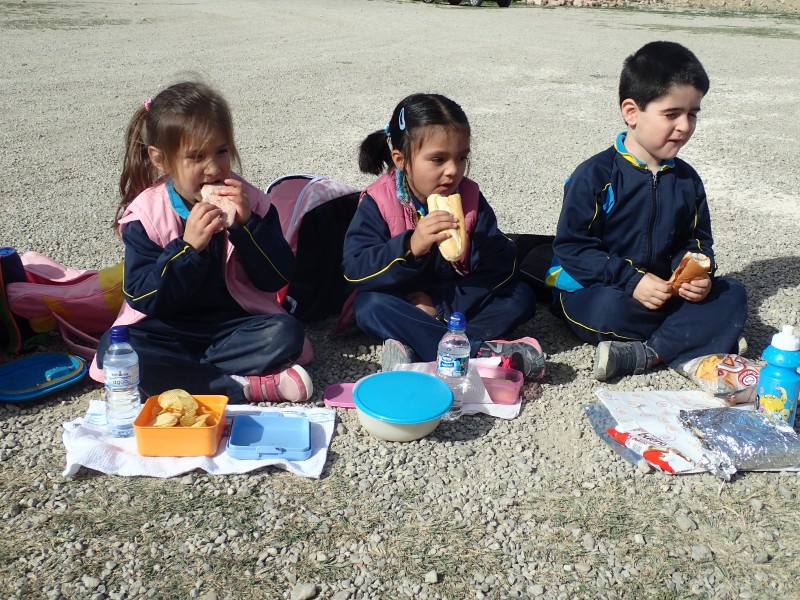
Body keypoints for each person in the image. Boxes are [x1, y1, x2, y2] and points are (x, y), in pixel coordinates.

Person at [88, 81, 313, 403]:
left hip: (234, 324)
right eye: (196, 156)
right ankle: (241, 387)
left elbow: (276, 277)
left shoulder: (253, 204)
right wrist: (187, 249)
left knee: (286, 333)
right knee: (117, 348)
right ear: (160, 159)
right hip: (168, 328)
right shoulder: (147, 216)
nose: (213, 168)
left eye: (221, 151)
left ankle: (184, 376)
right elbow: (142, 297)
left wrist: (248, 227)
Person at [548, 41, 747, 381]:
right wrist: (632, 281)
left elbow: (697, 242)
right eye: (672, 114)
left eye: (693, 114)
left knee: (733, 293)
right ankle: (701, 336)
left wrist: (697, 275)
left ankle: (649, 353)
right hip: (601, 289)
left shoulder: (687, 180)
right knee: (609, 310)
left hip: (662, 291)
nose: (684, 126)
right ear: (631, 112)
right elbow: (572, 248)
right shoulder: (594, 176)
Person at [343, 93, 544, 379]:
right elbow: (355, 269)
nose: (452, 171)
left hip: (454, 302)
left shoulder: (470, 198)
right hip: (404, 303)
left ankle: (417, 348)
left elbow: (500, 264)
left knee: (520, 296)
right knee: (369, 306)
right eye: (438, 159)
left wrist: (440, 306)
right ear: (401, 160)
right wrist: (411, 246)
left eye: (461, 158)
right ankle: (479, 353)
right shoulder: (379, 202)